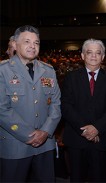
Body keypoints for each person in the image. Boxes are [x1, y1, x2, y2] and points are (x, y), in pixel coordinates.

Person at [0, 25, 61, 182]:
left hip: (45, 145)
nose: (32, 46)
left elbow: (56, 104)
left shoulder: (48, 70)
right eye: (27, 41)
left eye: (36, 42)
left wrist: (45, 132)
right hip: (15, 146)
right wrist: (30, 135)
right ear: (15, 44)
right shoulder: (3, 70)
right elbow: (2, 109)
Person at [61, 38, 106, 182]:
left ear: (103, 57)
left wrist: (97, 128)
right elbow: (66, 106)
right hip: (76, 138)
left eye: (98, 53)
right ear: (82, 56)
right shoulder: (70, 78)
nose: (93, 56)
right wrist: (86, 130)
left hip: (100, 139)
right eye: (89, 52)